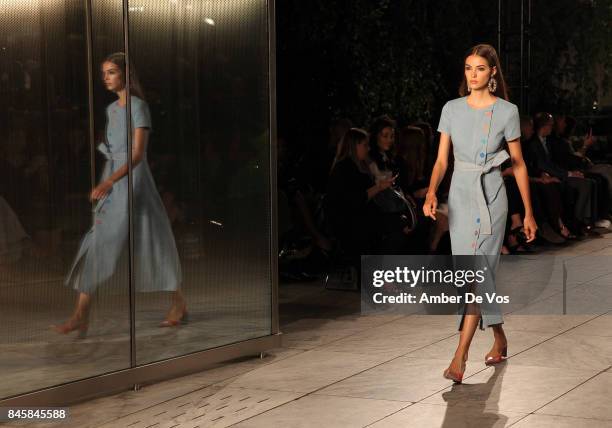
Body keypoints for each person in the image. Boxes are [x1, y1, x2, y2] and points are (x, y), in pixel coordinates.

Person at [423, 44, 537, 383]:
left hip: (491, 198)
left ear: (492, 74)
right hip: (460, 196)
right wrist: (431, 192)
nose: (472, 74)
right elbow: (443, 160)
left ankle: (460, 356)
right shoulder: (451, 109)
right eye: (468, 67)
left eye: (480, 68)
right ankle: (499, 336)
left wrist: (529, 212)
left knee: (476, 277)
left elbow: (518, 164)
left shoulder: (507, 111)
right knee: (471, 278)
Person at [53, 52, 185, 337]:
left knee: (151, 240)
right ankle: (80, 314)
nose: (106, 78)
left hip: (133, 181)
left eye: (111, 72)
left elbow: (138, 154)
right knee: (100, 240)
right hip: (113, 179)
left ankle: (178, 304)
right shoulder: (112, 110)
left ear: (126, 74)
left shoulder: (138, 107)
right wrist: (108, 179)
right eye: (104, 73)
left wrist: (111, 180)